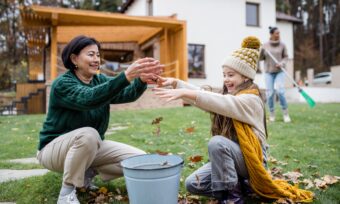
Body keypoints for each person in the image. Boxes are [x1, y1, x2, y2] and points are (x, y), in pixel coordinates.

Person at [153, 36, 313, 203]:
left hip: (253, 159)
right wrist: (175, 83)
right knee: (193, 184)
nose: (226, 79)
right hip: (233, 159)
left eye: (231, 74)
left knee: (217, 143)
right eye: (224, 75)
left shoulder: (251, 100)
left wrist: (185, 93)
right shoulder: (230, 96)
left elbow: (221, 102)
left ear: (245, 77)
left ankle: (232, 197)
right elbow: (210, 97)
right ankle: (244, 187)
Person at [36, 35, 163, 204]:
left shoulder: (99, 80)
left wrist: (140, 80)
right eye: (90, 54)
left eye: (97, 55)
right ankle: (66, 193)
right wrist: (125, 76)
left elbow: (126, 93)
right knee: (89, 135)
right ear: (74, 58)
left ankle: (86, 175)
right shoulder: (63, 84)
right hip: (53, 151)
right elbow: (88, 98)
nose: (96, 59)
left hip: (88, 147)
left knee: (139, 160)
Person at [259, 26, 291, 123]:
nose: (278, 35)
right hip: (269, 72)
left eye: (279, 33)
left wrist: (282, 63)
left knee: (281, 92)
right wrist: (261, 51)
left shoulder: (282, 45)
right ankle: (272, 114)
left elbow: (286, 57)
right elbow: (260, 59)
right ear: (271, 34)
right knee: (270, 94)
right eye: (277, 33)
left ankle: (285, 114)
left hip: (280, 72)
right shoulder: (265, 45)